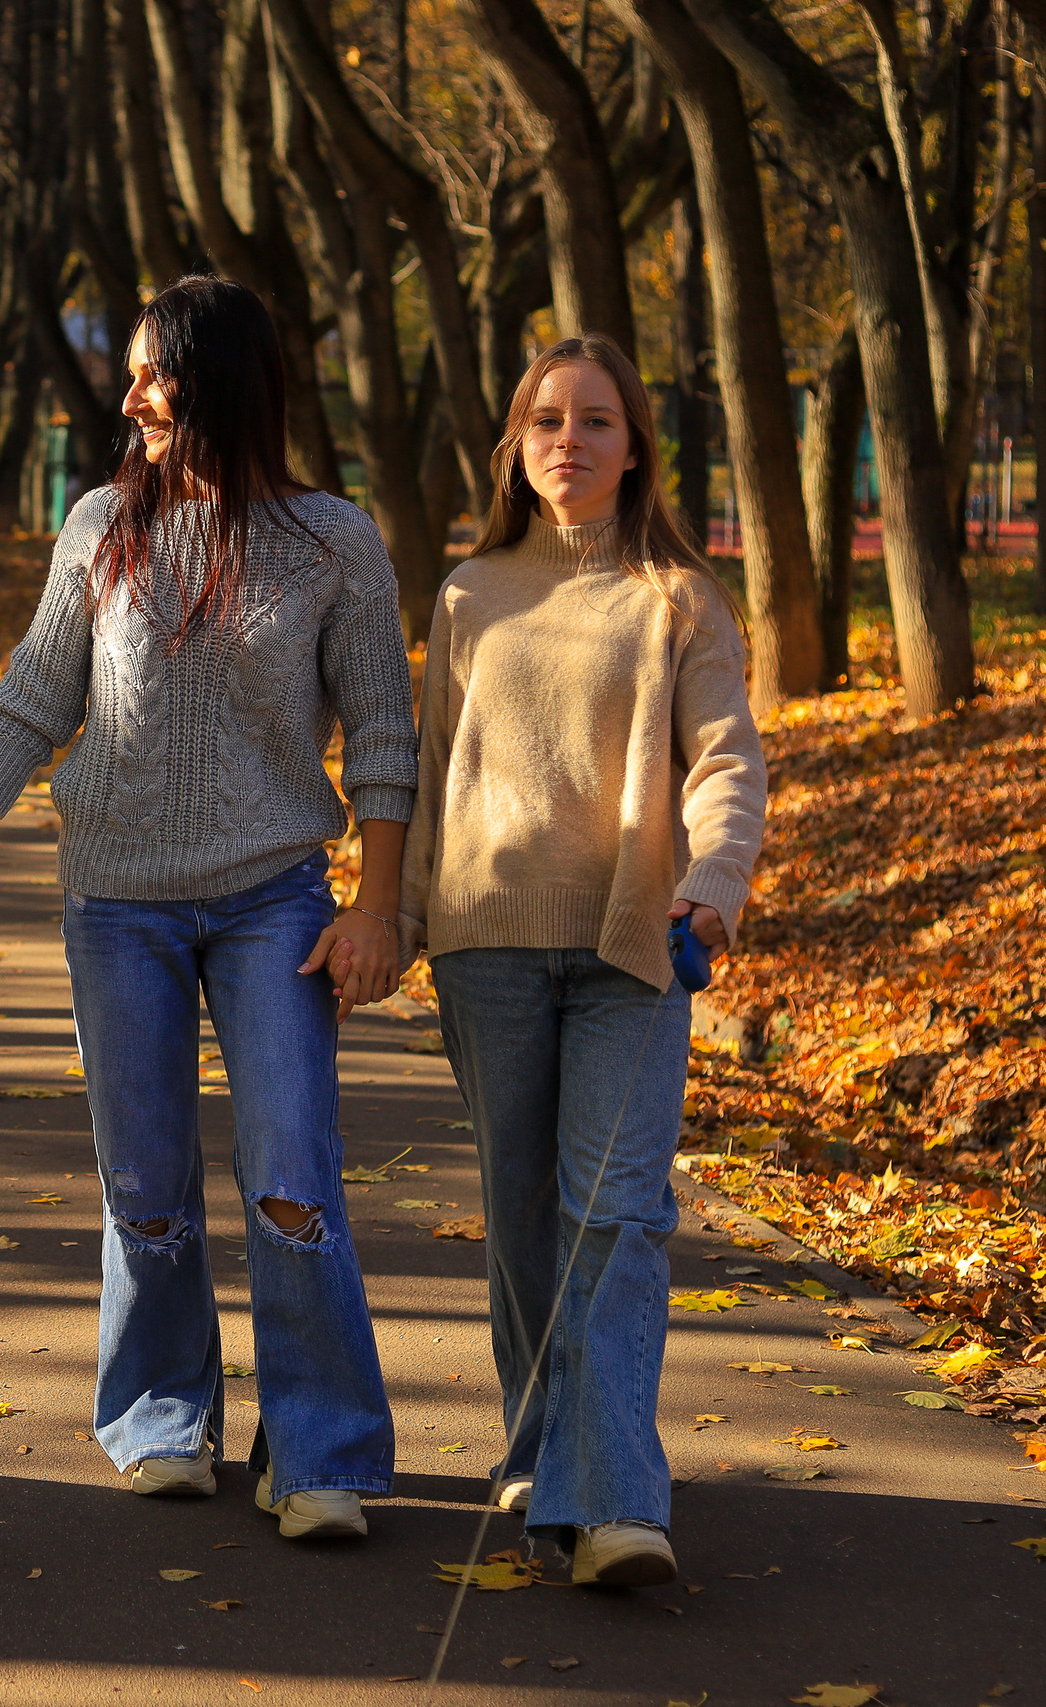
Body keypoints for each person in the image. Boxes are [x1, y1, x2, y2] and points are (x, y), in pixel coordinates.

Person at [0, 275, 416, 1541]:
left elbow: (385, 736)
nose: (128, 398)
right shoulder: (99, 524)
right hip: (115, 900)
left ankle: (322, 1450)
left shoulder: (333, 540)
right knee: (143, 1184)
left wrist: (375, 908)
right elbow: (33, 695)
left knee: (292, 1177)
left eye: (150, 374)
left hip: (276, 899)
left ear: (219, 377)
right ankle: (165, 1418)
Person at [399, 334, 765, 1589]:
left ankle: (613, 1506)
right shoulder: (466, 594)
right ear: (515, 446)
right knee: (519, 1221)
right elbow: (427, 767)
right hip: (484, 946)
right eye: (546, 419)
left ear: (634, 446)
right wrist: (383, 925)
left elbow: (724, 758)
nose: (569, 438)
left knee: (614, 1219)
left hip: (630, 945)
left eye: (596, 419)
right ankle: (544, 1440)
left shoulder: (679, 599)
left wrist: (714, 883)